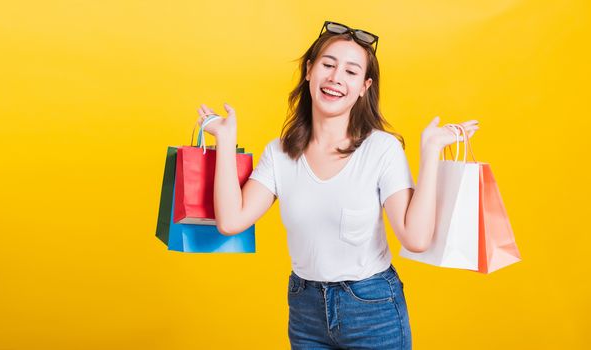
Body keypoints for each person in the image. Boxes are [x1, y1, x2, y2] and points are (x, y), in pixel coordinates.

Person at [196, 21, 479, 350]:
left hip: (372, 308)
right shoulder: (280, 153)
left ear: (364, 87)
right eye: (328, 65)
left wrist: (430, 152)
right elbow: (231, 221)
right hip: (305, 308)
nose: (335, 78)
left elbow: (415, 238)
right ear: (309, 71)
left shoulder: (381, 149)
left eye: (350, 71)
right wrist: (226, 141)